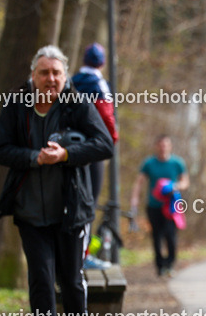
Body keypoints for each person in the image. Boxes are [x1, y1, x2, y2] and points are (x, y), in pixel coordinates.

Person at [0, 45, 113, 316]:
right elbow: (1, 150)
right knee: (41, 280)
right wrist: (34, 157)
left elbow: (104, 145)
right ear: (33, 76)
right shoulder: (16, 106)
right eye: (44, 73)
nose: (50, 79)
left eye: (56, 73)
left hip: (71, 211)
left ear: (65, 76)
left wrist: (66, 154)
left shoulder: (77, 105)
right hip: (30, 211)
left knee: (70, 280)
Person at [69, 43, 119, 270]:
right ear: (103, 62)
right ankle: (83, 255)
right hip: (92, 149)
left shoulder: (72, 81)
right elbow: (107, 116)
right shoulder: (99, 84)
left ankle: (69, 254)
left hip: (69, 149)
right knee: (89, 202)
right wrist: (111, 141)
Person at [131, 134, 189, 277]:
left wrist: (176, 186)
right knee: (156, 236)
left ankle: (170, 263)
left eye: (166, 145)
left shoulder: (177, 163)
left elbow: (185, 182)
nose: (163, 148)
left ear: (170, 146)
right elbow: (139, 182)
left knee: (170, 234)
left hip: (171, 206)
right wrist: (135, 199)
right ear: (156, 146)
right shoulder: (149, 163)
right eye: (161, 145)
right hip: (154, 205)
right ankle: (160, 266)